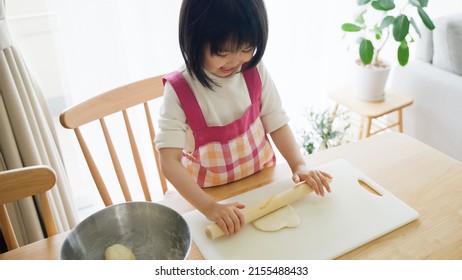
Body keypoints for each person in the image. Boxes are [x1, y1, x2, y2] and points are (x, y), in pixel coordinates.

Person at [155, 0, 332, 236]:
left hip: (262, 182)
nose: (235, 60)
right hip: (210, 196)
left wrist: (299, 165)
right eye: (223, 52)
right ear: (194, 39)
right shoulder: (179, 91)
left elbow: (276, 120)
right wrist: (209, 207)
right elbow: (169, 162)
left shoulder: (254, 70)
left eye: (247, 48)